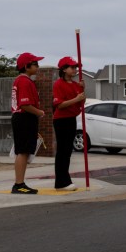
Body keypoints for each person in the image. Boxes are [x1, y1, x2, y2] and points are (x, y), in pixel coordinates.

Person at [11, 52, 45, 194]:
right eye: (35, 64)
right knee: (23, 151)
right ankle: (19, 184)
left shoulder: (21, 80)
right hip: (24, 117)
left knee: (24, 151)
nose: (38, 66)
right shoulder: (24, 81)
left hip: (22, 118)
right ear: (26, 66)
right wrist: (39, 112)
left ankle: (20, 183)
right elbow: (24, 104)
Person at [52, 56, 86, 191]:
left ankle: (64, 180)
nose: (75, 69)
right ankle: (61, 181)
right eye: (72, 67)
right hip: (61, 120)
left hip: (72, 118)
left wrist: (83, 90)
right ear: (64, 69)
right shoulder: (58, 84)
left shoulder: (77, 85)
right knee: (62, 151)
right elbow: (59, 105)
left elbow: (81, 102)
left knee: (67, 151)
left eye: (76, 67)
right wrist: (76, 98)